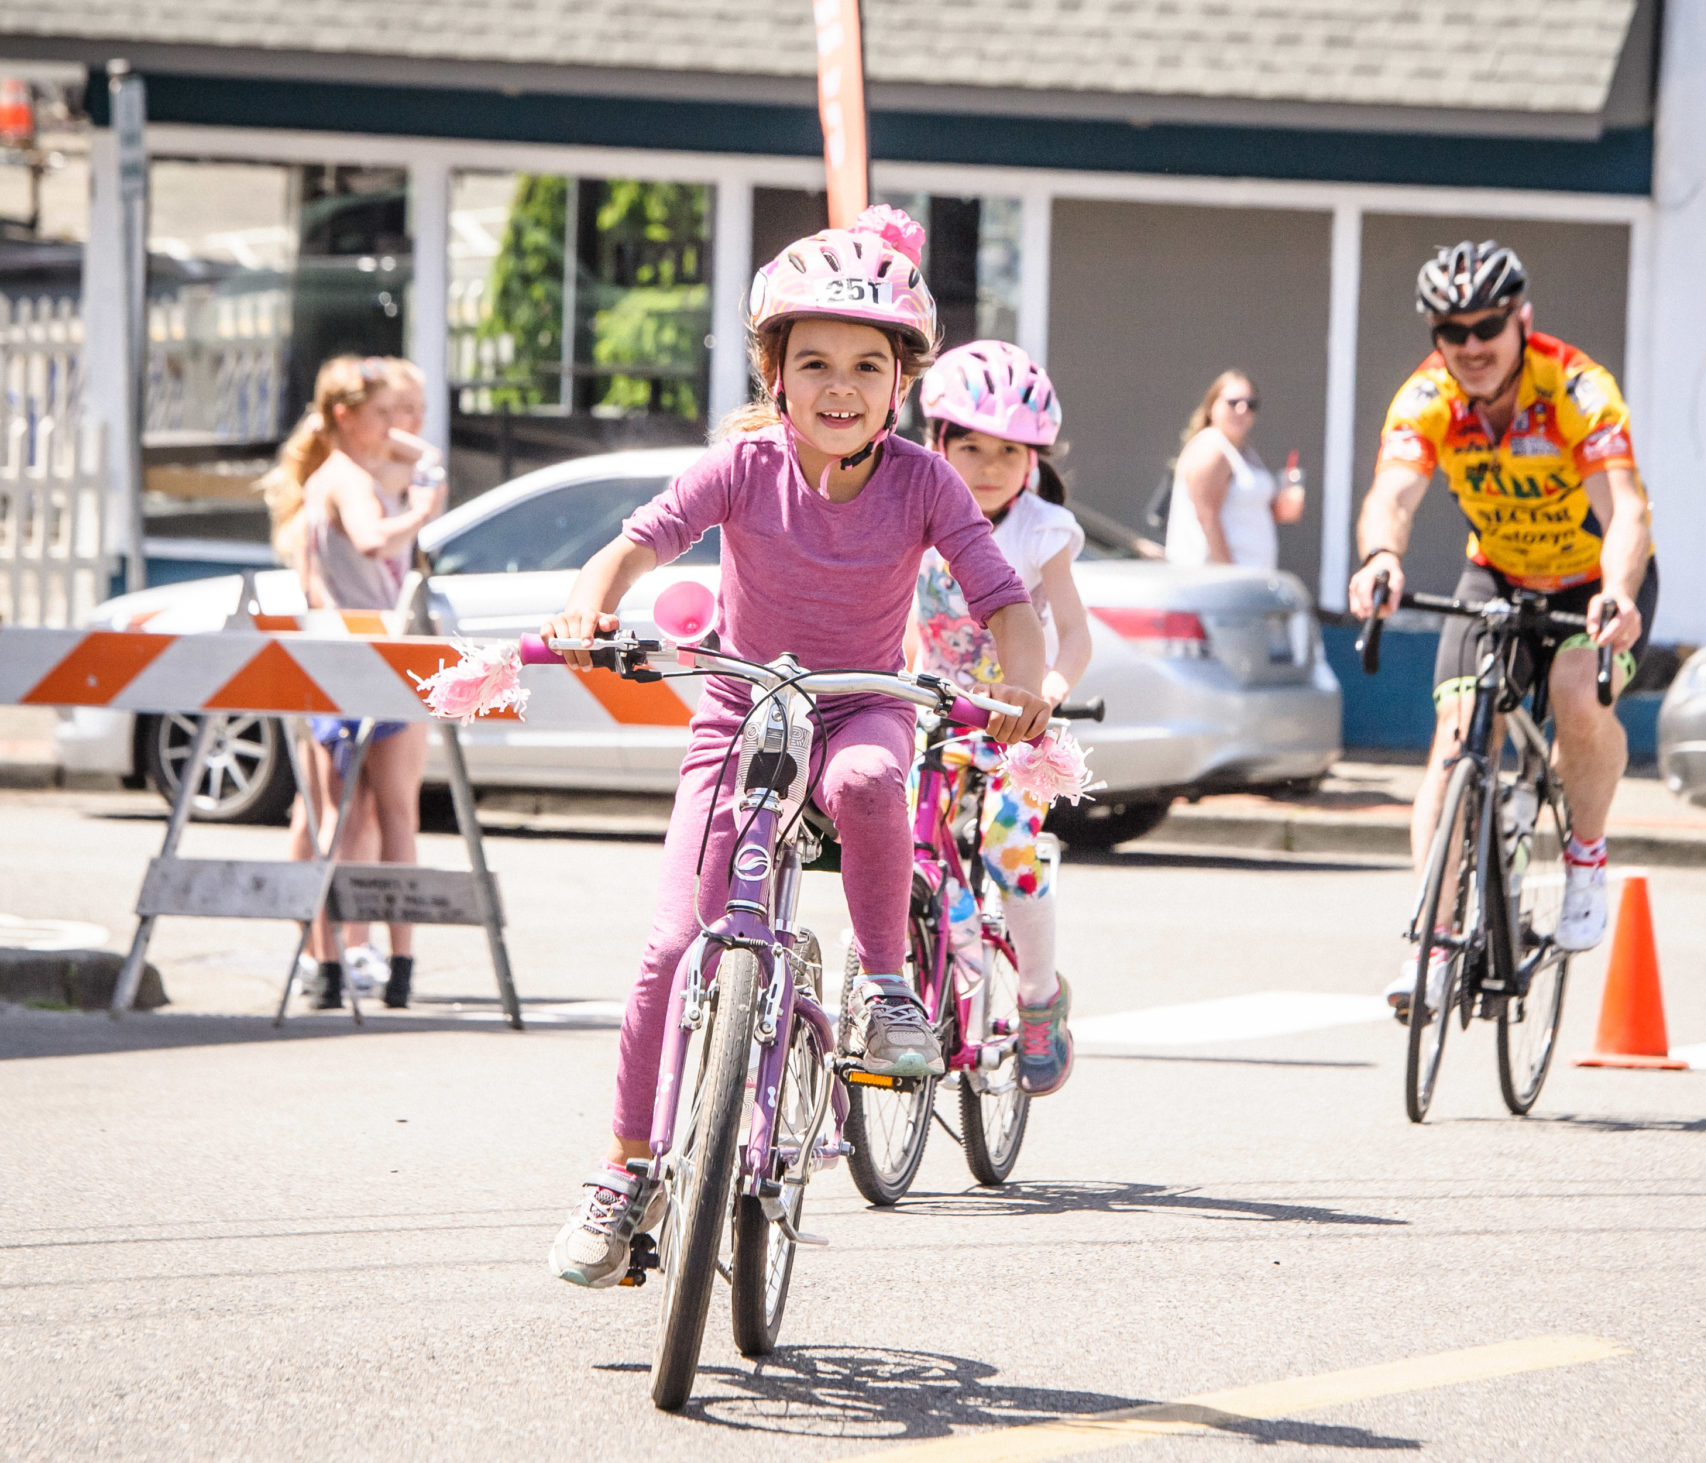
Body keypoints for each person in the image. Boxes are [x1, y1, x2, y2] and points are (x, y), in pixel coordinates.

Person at [543, 207, 1051, 1288]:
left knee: (871, 776)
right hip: (739, 712)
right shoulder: (742, 466)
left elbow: (1004, 598)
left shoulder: (923, 480)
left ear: (900, 383)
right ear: (773, 370)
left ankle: (883, 985)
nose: (838, 384)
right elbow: (636, 543)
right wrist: (589, 603)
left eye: (867, 364)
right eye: (811, 359)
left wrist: (1022, 680)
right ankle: (623, 1172)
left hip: (859, 702)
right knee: (670, 948)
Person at [1348, 241, 1656, 1019]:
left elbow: (1627, 512)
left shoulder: (1577, 388)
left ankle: (1585, 855)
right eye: (1453, 332)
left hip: (1593, 577)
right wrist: (1382, 557)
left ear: (1522, 319)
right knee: (1456, 742)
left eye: (1489, 325)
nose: (1473, 345)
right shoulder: (1428, 398)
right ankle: (1435, 941)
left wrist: (1618, 591)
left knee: (1576, 693)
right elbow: (1393, 493)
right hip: (1497, 573)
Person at [911, 339, 1092, 1095]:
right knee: (908, 843)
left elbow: (1076, 633)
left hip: (1016, 722)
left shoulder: (1038, 530)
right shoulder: (910, 511)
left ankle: (1038, 997)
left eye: (1008, 451)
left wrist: (1049, 687)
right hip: (931, 714)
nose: (988, 466)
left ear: (1034, 460)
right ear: (936, 444)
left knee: (1010, 849)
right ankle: (937, 961)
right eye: (971, 446)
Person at [266, 356, 447, 1009]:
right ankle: (393, 960)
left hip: (333, 652)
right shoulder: (348, 479)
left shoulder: (322, 479)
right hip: (376, 653)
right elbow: (373, 541)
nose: (389, 429)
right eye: (380, 416)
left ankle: (329, 959)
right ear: (347, 417)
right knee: (391, 813)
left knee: (332, 813)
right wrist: (421, 513)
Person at [1163, 369, 1303, 568]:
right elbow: (1207, 519)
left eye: (1251, 405)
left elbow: (1244, 513)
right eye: (1233, 402)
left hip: (1252, 579)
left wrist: (1280, 507)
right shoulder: (1212, 448)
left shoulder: (1243, 451)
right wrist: (1230, 577)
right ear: (1212, 406)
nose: (1242, 410)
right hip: (1216, 586)